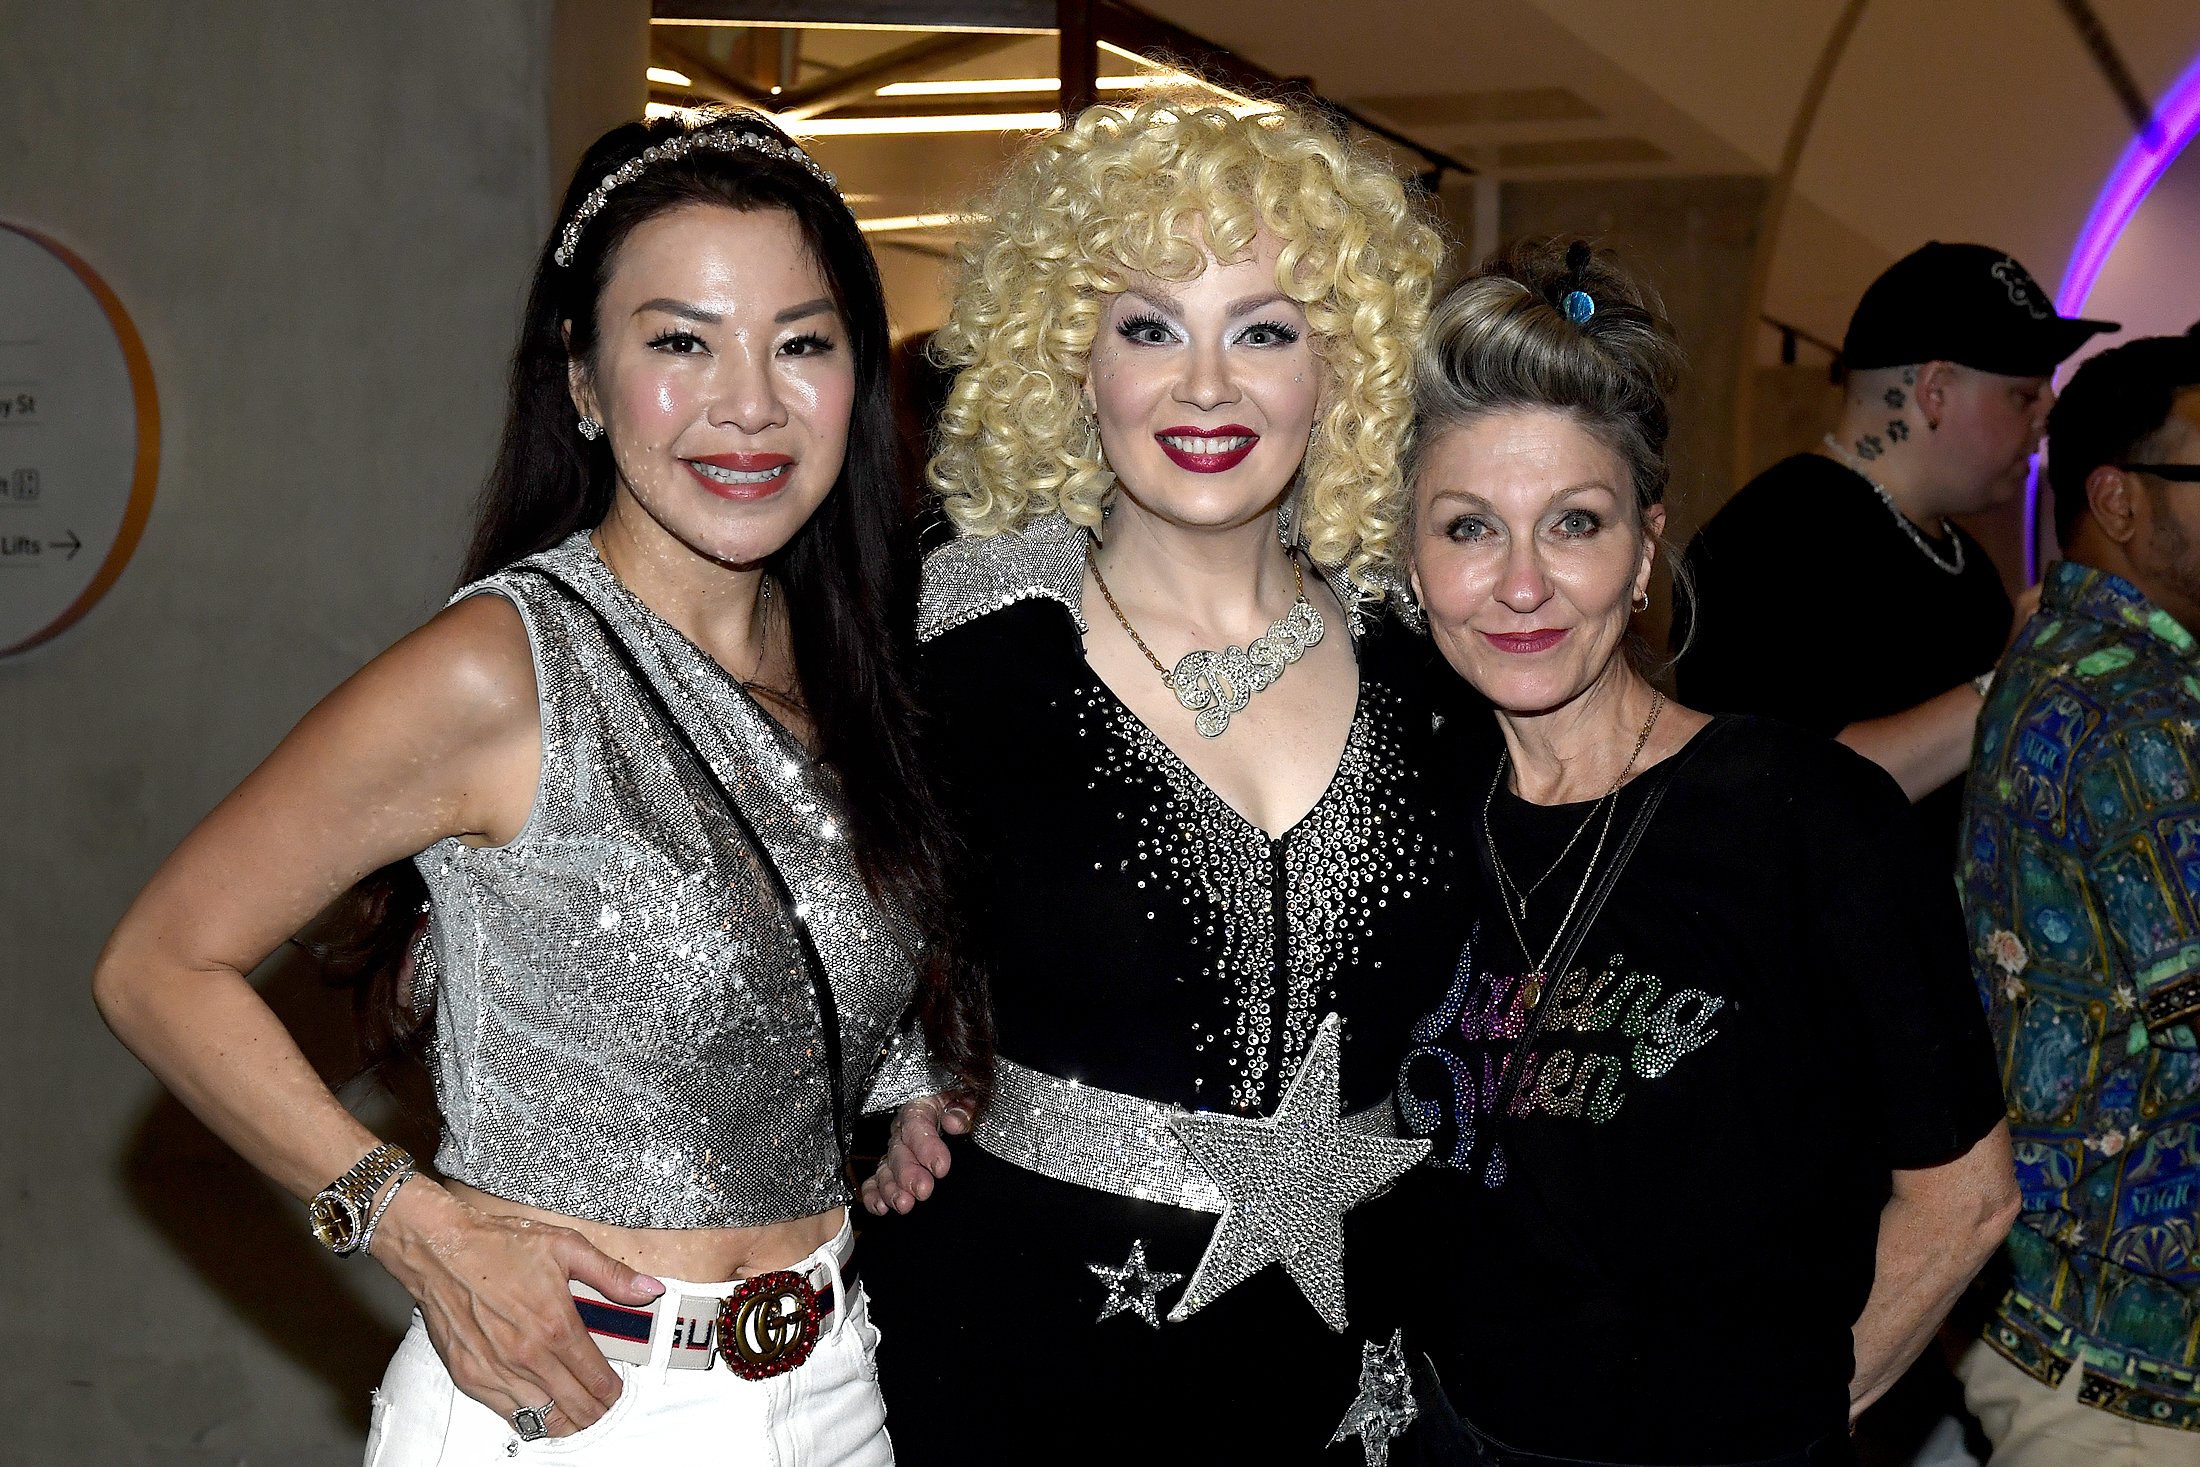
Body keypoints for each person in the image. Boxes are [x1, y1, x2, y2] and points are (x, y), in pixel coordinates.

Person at [90, 108, 987, 1463]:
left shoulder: (850, 669)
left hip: (833, 1384)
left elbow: (775, 950)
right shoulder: (500, 668)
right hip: (574, 1405)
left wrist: (897, 1073)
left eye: (801, 343)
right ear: (582, 378)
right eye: (680, 342)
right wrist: (411, 1223)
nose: (750, 403)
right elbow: (158, 965)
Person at [854, 99, 1463, 1462]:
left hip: (1348, 1375)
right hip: (1018, 1359)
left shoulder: (1432, 660)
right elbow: (804, 919)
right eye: (1148, 327)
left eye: (1264, 331)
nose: (1205, 387)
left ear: (1341, 368)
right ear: (1072, 360)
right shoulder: (953, 641)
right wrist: (891, 1077)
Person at [1391, 239, 2021, 1466]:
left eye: (1573, 524)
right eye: (1469, 528)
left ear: (1643, 549)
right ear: (1413, 559)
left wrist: (1780, 1427)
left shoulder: (1806, 817)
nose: (1520, 585)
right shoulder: (1402, 818)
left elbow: (1967, 1195)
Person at [1955, 334, 2200, 1459]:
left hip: (2067, 1317)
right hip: (2129, 1371)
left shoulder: (2068, 660)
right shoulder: (2139, 711)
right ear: (2119, 499)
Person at [1676, 242, 2115, 854]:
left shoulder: (1965, 559)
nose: (2049, 415)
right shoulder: (1769, 539)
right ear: (1935, 390)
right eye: (2024, 394)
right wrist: (2008, 682)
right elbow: (1786, 792)